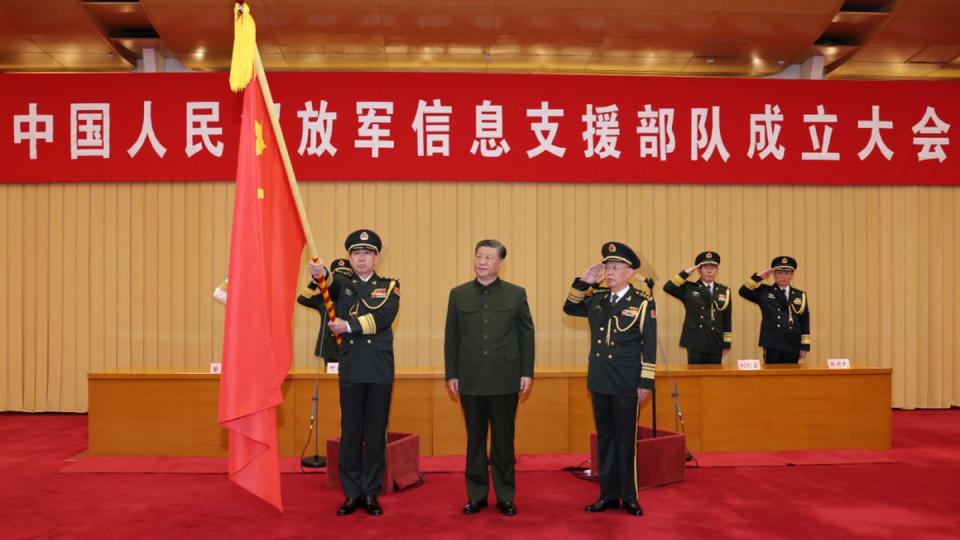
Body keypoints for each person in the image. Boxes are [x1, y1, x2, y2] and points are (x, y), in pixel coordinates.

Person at [302, 230, 400, 516]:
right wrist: (320, 274)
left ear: (376, 258)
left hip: (379, 369)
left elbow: (383, 317)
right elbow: (325, 288)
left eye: (367, 253)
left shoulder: (389, 285)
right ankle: (351, 492)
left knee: (375, 432)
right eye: (356, 253)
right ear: (349, 257)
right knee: (351, 433)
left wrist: (348, 326)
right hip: (352, 367)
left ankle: (370, 493)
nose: (361, 258)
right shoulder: (341, 282)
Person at [562, 241, 656, 517]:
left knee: (625, 440)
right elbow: (569, 307)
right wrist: (584, 281)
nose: (610, 271)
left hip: (628, 382)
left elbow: (649, 345)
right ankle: (607, 494)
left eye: (616, 267)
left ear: (630, 272)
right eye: (607, 266)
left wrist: (646, 382)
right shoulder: (597, 298)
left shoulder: (642, 302)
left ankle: (629, 497)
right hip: (600, 379)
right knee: (605, 439)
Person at [444, 239, 535, 517]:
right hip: (470, 377)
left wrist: (526, 372)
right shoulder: (458, 294)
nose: (482, 262)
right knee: (475, 440)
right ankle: (476, 495)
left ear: (500, 263)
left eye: (488, 258)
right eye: (478, 256)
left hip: (505, 377)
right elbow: (452, 336)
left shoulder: (516, 294)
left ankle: (506, 495)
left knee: (504, 441)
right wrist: (452, 374)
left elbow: (526, 336)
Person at [662, 251, 732, 364]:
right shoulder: (689, 288)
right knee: (694, 377)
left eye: (713, 267)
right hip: (695, 340)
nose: (709, 271)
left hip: (715, 340)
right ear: (699, 270)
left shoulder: (724, 291)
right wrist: (686, 273)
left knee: (714, 377)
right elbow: (668, 287)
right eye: (705, 267)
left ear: (717, 270)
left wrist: (727, 343)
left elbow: (727, 319)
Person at [738, 256, 810, 364]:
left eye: (787, 273)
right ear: (774, 274)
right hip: (772, 342)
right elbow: (743, 291)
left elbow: (804, 321)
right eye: (780, 273)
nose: (783, 277)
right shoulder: (764, 291)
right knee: (771, 377)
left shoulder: (800, 295)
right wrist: (758, 277)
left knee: (792, 377)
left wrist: (804, 346)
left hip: (793, 342)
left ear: (792, 275)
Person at [298, 258, 353, 365]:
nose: (342, 279)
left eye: (346, 276)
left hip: (350, 344)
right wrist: (316, 280)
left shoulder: (355, 294)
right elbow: (303, 299)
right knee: (330, 380)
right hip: (330, 347)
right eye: (338, 276)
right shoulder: (324, 298)